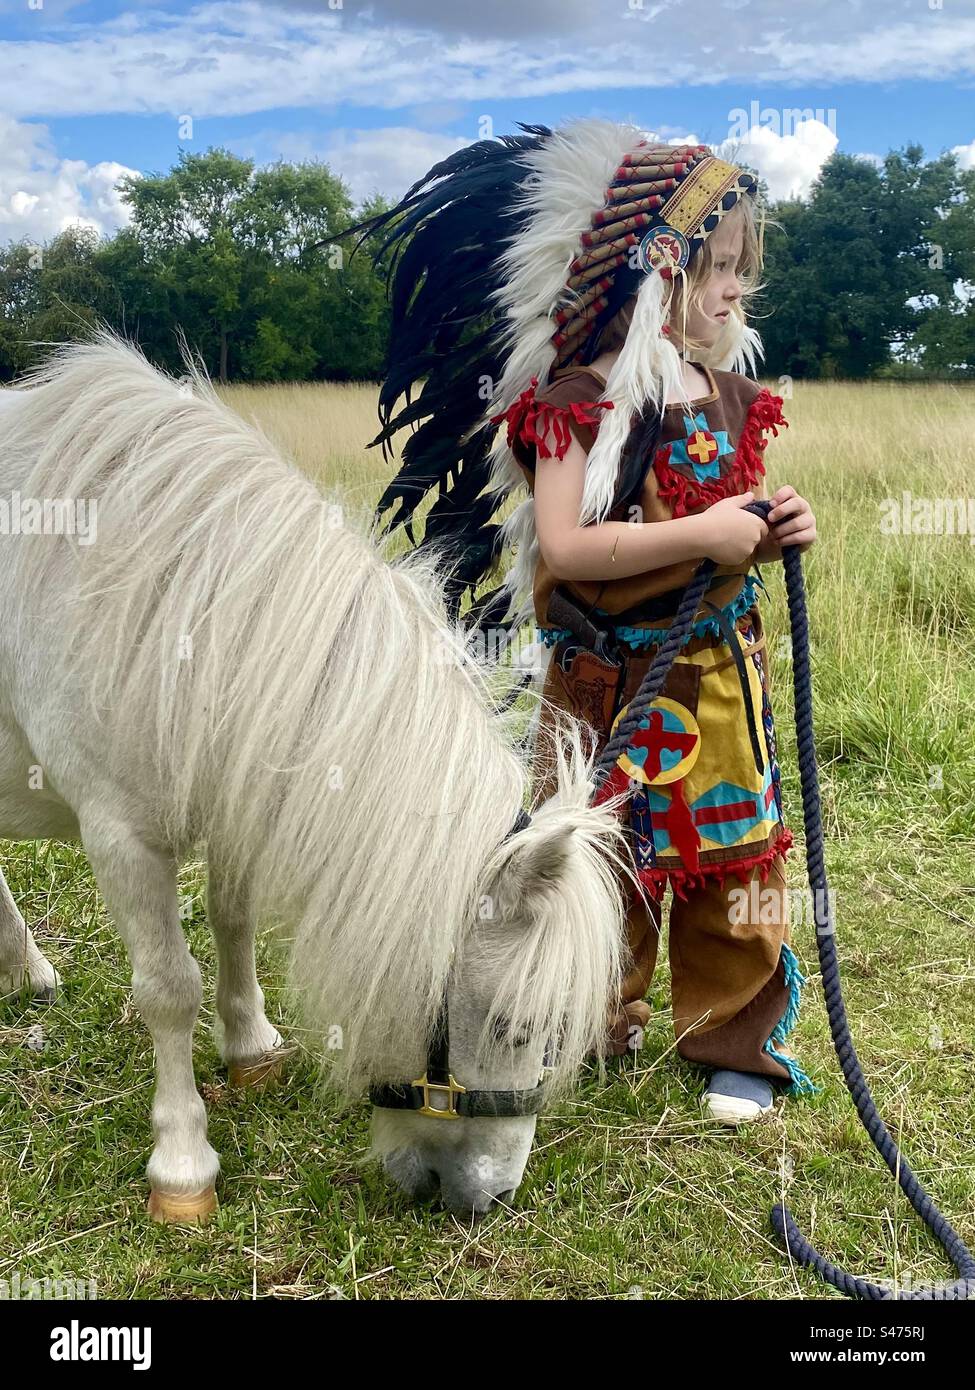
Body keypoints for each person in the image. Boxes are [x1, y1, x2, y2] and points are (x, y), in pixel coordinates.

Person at [337, 119, 818, 1124]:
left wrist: (768, 533)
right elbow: (563, 546)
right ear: (653, 269)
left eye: (741, 272)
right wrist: (705, 538)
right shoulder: (583, 401)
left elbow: (733, 527)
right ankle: (594, 1005)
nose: (735, 290)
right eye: (715, 268)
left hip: (721, 672)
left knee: (731, 857)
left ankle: (732, 1033)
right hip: (606, 679)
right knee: (601, 854)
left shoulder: (733, 398)